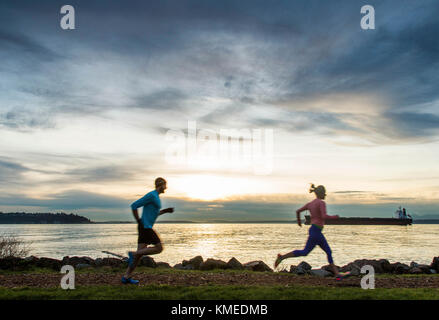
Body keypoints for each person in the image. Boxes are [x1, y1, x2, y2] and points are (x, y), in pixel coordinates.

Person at [274, 184, 345, 278]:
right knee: (325, 251)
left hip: (314, 230)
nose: (325, 195)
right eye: (324, 193)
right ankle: (337, 274)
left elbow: (298, 211)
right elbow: (324, 216)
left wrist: (299, 221)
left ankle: (282, 257)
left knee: (308, 252)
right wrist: (335, 217)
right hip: (316, 231)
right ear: (321, 193)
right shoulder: (321, 203)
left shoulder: (310, 204)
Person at [121, 177, 174, 284]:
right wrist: (138, 220)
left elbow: (154, 213)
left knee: (139, 255)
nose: (166, 187)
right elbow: (134, 205)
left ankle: (126, 277)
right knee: (159, 247)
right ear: (160, 184)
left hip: (145, 227)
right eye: (165, 185)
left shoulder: (156, 197)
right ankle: (133, 254)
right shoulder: (151, 195)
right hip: (146, 227)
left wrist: (165, 211)